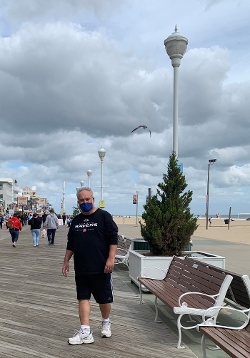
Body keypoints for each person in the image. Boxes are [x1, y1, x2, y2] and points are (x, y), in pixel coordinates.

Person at [62, 187, 118, 345]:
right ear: (78, 202)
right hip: (81, 267)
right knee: (82, 297)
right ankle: (85, 331)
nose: (84, 202)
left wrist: (110, 259)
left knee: (103, 300)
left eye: (87, 199)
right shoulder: (76, 221)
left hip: (101, 267)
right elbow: (71, 243)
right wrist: (66, 261)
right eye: (81, 200)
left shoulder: (104, 216)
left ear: (93, 199)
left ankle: (106, 321)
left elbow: (113, 238)